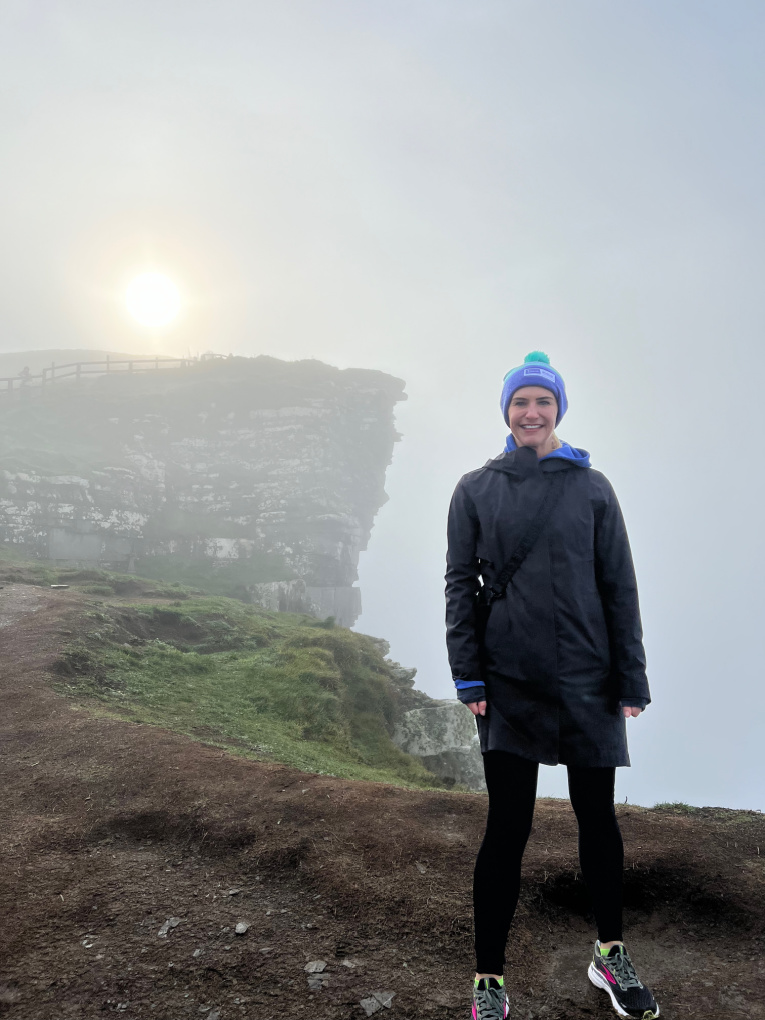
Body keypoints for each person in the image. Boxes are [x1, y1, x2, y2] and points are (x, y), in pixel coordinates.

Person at [445, 352, 659, 1020]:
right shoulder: (475, 489)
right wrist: (467, 672)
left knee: (598, 820)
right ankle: (488, 980)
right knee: (506, 828)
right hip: (509, 682)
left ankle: (609, 955)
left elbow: (618, 585)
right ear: (506, 412)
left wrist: (631, 676)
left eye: (542, 401)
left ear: (558, 409)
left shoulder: (593, 488)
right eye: (520, 402)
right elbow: (459, 585)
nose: (531, 412)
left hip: (590, 680)